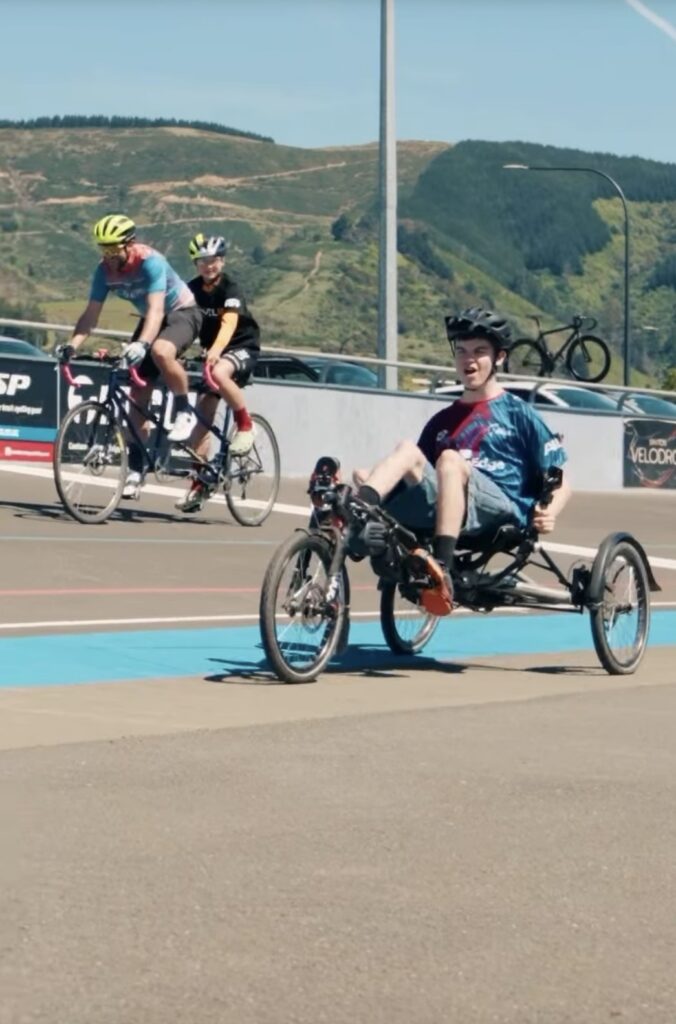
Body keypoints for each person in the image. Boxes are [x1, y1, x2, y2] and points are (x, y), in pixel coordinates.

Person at [352, 307, 571, 615]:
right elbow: (419, 475)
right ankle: (359, 518)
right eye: (462, 351)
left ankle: (441, 568)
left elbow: (561, 478)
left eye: (480, 351)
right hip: (450, 504)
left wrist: (549, 511)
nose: (469, 359)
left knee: (450, 461)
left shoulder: (519, 413)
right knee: (382, 463)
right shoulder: (442, 420)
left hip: (501, 508)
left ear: (499, 358)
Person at [56, 214, 202, 499]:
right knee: (137, 398)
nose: (108, 256)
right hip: (151, 319)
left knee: (161, 350)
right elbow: (91, 313)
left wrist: (142, 344)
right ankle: (136, 470)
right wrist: (73, 343)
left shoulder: (150, 262)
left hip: (182, 313)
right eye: (103, 249)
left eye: (113, 249)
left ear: (129, 244)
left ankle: (184, 409)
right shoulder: (104, 271)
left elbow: (157, 310)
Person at [174, 232, 261, 514]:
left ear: (221, 261)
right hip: (212, 352)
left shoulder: (231, 289)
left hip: (241, 347)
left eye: (212, 260)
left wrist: (215, 351)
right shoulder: (192, 289)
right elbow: (182, 321)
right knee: (201, 423)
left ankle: (246, 423)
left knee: (222, 373)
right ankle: (200, 483)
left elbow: (229, 324)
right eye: (202, 261)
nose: (207, 265)